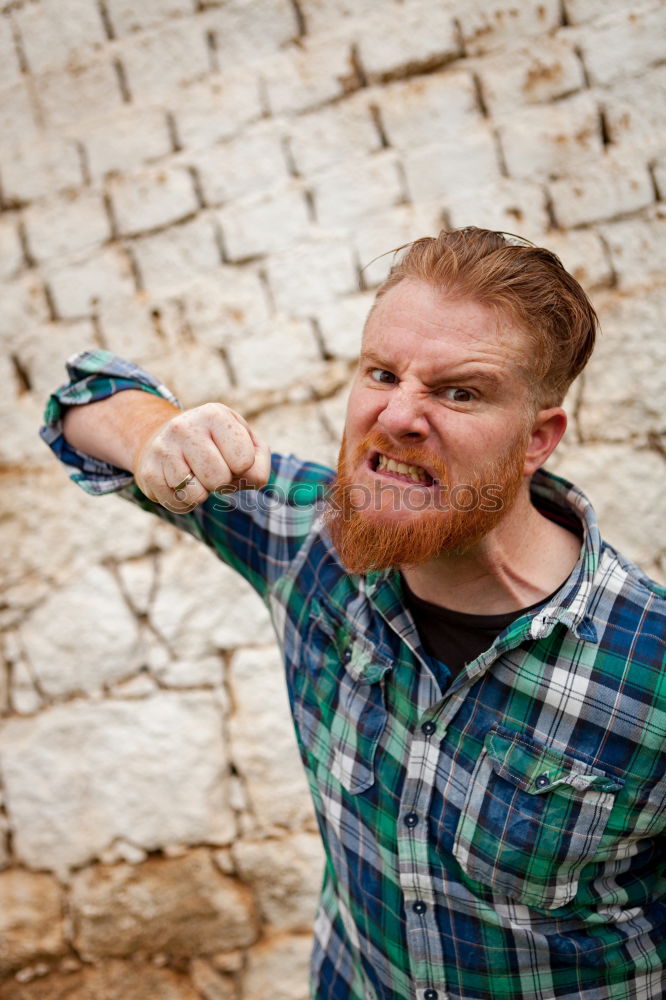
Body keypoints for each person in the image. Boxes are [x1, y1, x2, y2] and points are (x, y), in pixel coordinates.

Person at [41, 228, 665, 1000]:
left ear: (538, 438)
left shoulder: (652, 667)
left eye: (457, 390)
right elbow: (83, 399)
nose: (396, 415)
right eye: (382, 372)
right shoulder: (308, 536)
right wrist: (158, 439)